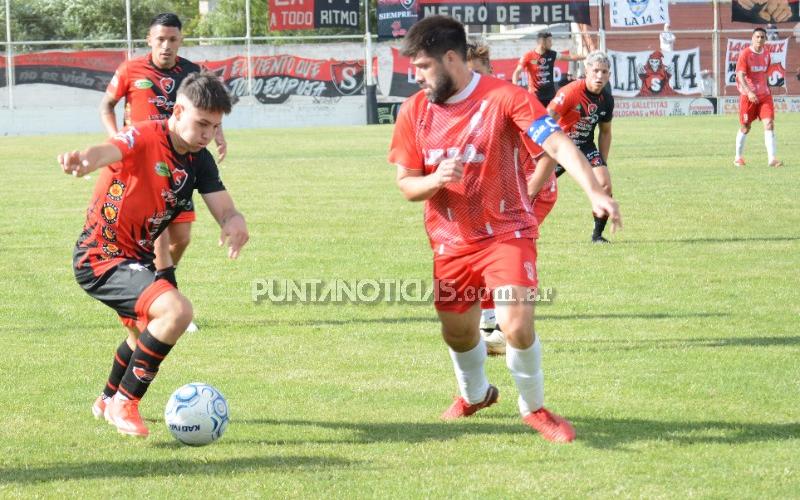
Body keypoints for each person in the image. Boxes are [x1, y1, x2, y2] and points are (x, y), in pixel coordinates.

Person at [389, 15, 621, 443]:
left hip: (507, 231)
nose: (415, 75)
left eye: (422, 66)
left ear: (452, 58)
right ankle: (475, 394)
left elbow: (555, 141)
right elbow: (405, 184)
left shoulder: (505, 97)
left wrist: (593, 190)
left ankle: (534, 408)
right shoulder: (413, 112)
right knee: (457, 333)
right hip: (450, 240)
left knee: (514, 325)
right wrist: (435, 180)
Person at [63, 72, 248, 437]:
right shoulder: (145, 135)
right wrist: (87, 158)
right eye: (201, 123)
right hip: (101, 256)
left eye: (214, 126)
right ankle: (126, 402)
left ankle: (107, 397)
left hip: (135, 258)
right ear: (178, 111)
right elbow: (110, 149)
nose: (208, 134)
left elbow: (224, 208)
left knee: (143, 336)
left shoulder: (200, 160)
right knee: (177, 311)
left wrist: (234, 222)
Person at [100, 13, 228, 321]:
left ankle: (156, 285)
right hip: (144, 165)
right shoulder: (130, 70)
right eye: (160, 39)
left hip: (181, 162)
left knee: (181, 237)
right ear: (149, 40)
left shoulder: (193, 73)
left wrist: (219, 135)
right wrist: (117, 140)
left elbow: (211, 109)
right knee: (156, 228)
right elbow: (106, 104)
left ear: (181, 40)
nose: (166, 46)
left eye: (172, 39)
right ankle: (164, 294)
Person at [467, 42, 559, 356]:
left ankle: (502, 327)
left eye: (477, 72)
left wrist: (525, 197)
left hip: (533, 191)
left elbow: (548, 156)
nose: (471, 80)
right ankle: (493, 323)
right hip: (507, 194)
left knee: (500, 255)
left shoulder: (510, 101)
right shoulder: (471, 104)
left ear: (490, 70)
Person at [545, 51, 616, 244]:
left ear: (609, 74)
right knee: (535, 189)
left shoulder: (607, 100)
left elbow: (606, 132)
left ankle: (597, 236)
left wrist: (602, 162)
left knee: (605, 184)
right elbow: (546, 119)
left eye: (604, 72)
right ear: (587, 70)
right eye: (595, 71)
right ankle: (517, 231)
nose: (599, 76)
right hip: (560, 147)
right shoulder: (570, 92)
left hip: (585, 146)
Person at [734, 28, 783, 168]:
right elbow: (740, 76)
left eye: (762, 37)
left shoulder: (767, 53)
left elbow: (764, 73)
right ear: (752, 38)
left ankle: (772, 159)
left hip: (764, 96)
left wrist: (764, 88)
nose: (760, 39)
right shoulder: (745, 54)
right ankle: (738, 158)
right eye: (757, 36)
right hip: (748, 97)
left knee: (769, 124)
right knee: (745, 127)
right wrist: (749, 92)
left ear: (765, 39)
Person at [512, 31, 585, 107]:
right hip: (535, 96)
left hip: (550, 95)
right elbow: (517, 72)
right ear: (542, 42)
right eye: (549, 41)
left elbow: (569, 57)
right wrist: (515, 87)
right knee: (538, 118)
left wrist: (586, 56)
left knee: (551, 117)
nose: (551, 44)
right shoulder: (528, 56)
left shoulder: (552, 54)